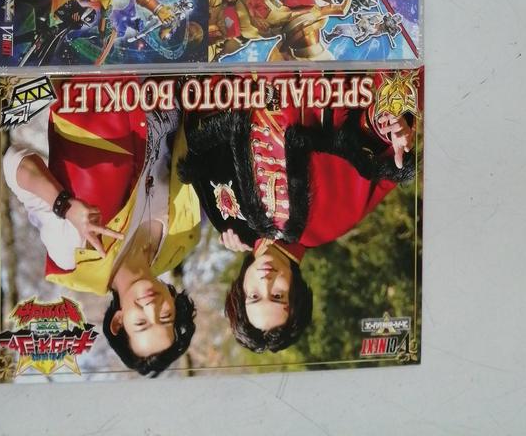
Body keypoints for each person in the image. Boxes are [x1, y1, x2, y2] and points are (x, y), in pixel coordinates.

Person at [177, 80, 416, 353]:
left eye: (254, 295)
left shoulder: (227, 222)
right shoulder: (328, 224)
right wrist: (388, 125)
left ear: (240, 289)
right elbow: (365, 142)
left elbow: (200, 131)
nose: (265, 282)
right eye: (278, 296)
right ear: (296, 292)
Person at [3, 93, 200, 376]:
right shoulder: (182, 239)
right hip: (167, 81)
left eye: (141, 323)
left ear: (119, 321)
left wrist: (65, 205)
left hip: (98, 80)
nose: (152, 308)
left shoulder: (75, 254)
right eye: (166, 316)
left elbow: (13, 163)